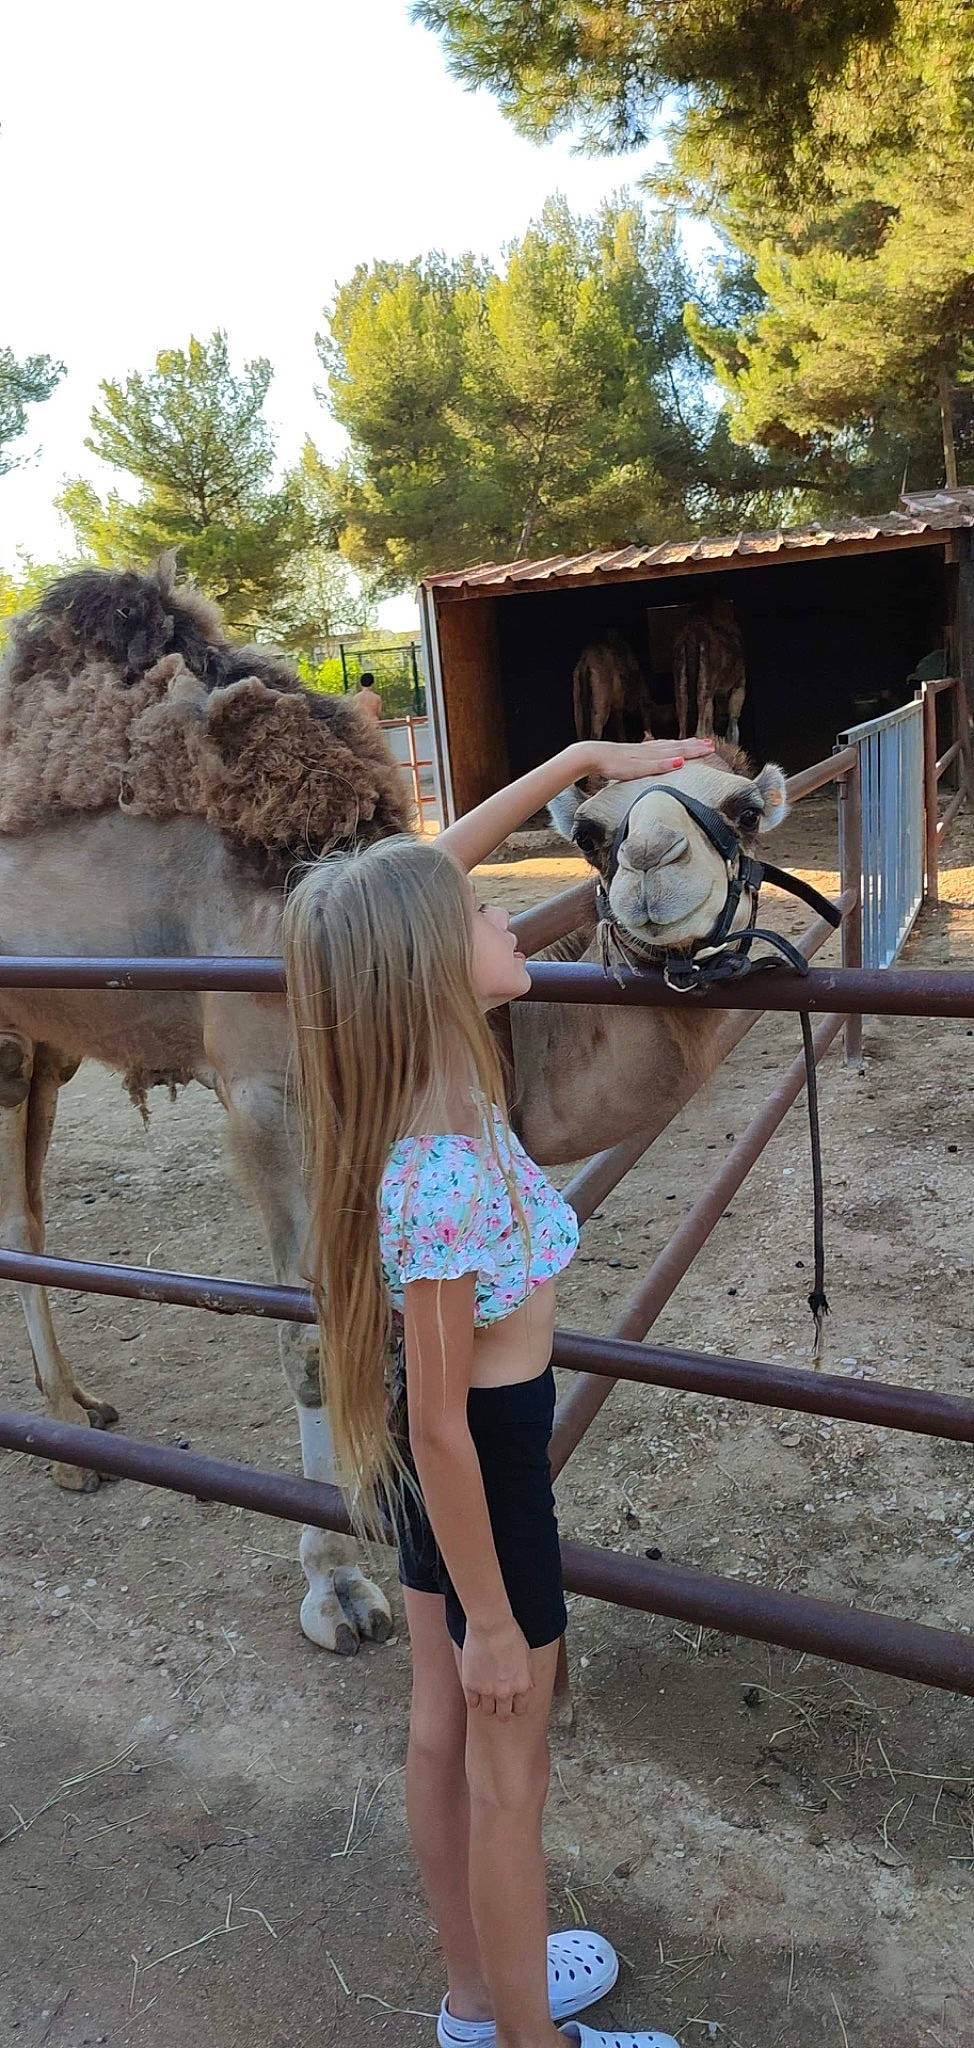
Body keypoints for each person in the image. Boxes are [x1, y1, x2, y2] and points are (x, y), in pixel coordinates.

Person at [283, 731, 715, 2048]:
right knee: (507, 1768)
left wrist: (585, 755)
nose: (506, 913)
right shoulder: (448, 1166)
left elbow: (411, 886)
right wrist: (488, 1618)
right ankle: (533, 2040)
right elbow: (438, 1425)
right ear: (429, 970)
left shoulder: (430, 1086)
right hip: (483, 1476)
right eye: (480, 914)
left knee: (442, 1733)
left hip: (460, 1467)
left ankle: (479, 1999)